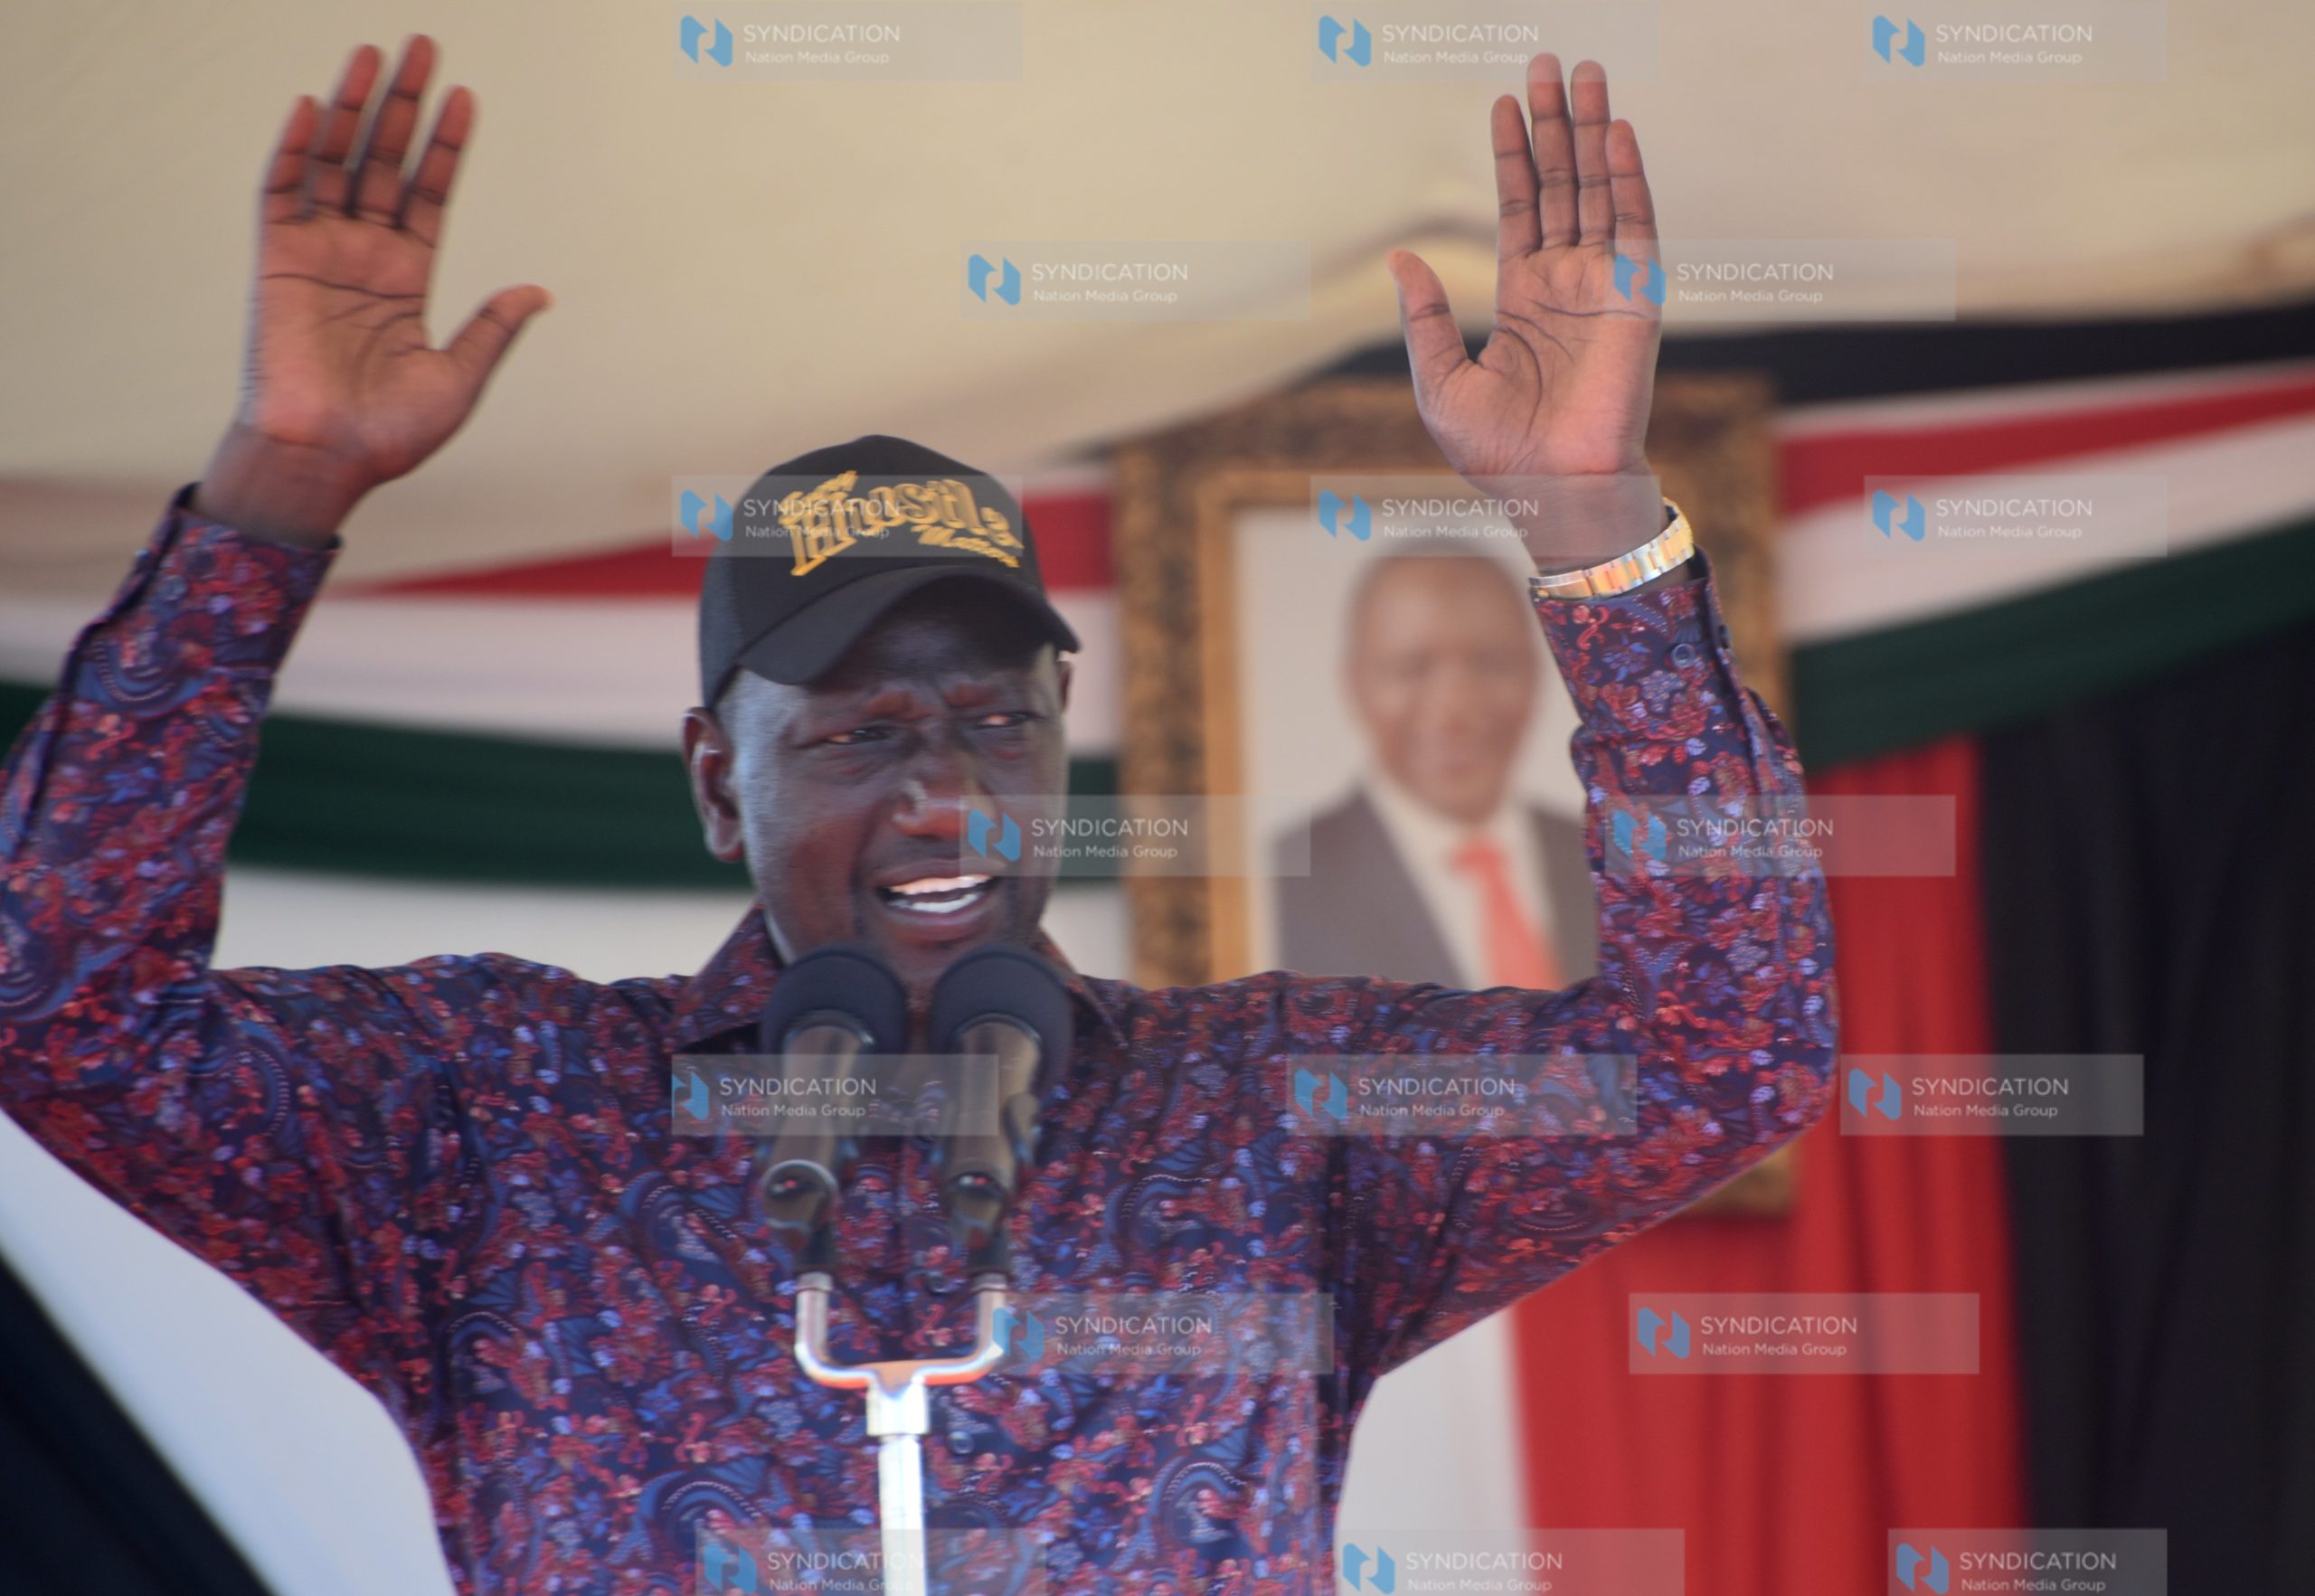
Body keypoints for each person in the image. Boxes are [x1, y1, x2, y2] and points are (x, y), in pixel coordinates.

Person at [0, 33, 1837, 1595]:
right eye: (863, 730)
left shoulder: (1275, 1118)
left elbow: (1725, 1055)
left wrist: (1591, 520)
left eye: (990, 718)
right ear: (720, 778)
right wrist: (277, 493)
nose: (943, 786)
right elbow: (60, 1007)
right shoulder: (496, 1121)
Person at [1276, 550, 1596, 988]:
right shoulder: (1279, 879)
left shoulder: (1607, 860)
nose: (1455, 708)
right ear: (1355, 683)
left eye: (1492, 663)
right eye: (1411, 668)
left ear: (1538, 674)